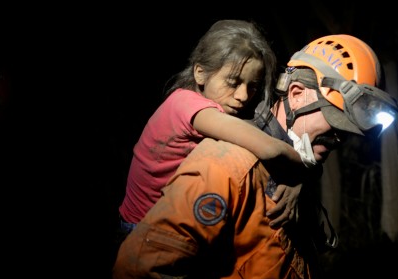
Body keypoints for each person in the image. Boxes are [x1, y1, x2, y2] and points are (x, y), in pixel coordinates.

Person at [112, 34, 398, 279]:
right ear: (298, 93)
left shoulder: (299, 167)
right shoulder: (226, 165)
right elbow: (138, 275)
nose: (338, 140)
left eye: (348, 132)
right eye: (335, 123)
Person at [117, 19, 306, 244]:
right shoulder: (190, 107)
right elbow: (268, 148)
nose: (243, 96)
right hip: (142, 231)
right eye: (233, 82)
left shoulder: (193, 100)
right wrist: (303, 170)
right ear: (200, 73)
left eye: (252, 86)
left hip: (160, 219)